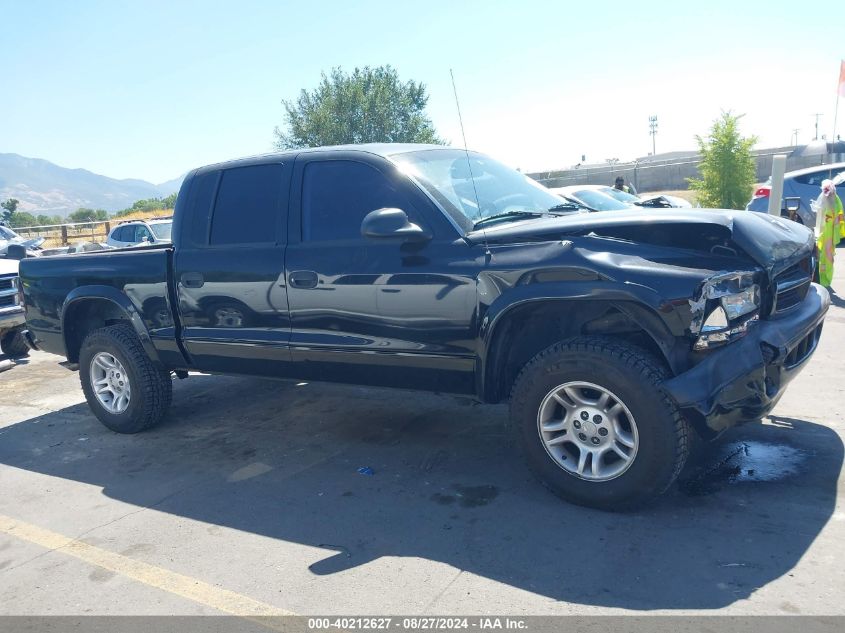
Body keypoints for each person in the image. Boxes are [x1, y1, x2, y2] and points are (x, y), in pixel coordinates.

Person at [814, 179, 842, 287]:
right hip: (825, 235)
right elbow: (820, 217)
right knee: (823, 257)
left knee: (828, 257)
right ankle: (823, 278)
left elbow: (839, 217)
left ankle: (826, 279)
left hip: (829, 235)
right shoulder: (825, 200)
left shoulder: (835, 201)